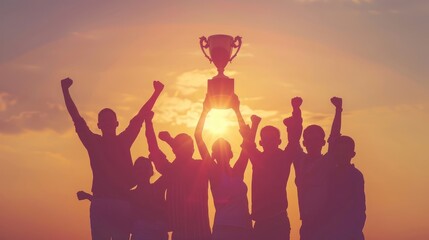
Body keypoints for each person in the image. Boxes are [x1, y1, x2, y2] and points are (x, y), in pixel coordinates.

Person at [61, 77, 164, 240]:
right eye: (105, 120)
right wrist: (156, 92)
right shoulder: (108, 141)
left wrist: (156, 93)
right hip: (110, 203)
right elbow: (140, 116)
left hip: (113, 203)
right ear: (100, 125)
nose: (108, 123)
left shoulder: (104, 141)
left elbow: (141, 116)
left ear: (116, 124)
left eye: (109, 120)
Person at [194, 95, 261, 240]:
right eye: (218, 150)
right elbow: (198, 135)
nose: (222, 152)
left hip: (244, 230)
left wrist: (237, 110)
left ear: (230, 153)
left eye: (225, 149)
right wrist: (205, 110)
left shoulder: (238, 170)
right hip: (223, 230)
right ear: (214, 155)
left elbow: (248, 142)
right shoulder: (213, 171)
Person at [145, 110, 211, 240]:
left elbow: (181, 157)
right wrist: (148, 123)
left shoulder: (200, 167)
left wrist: (170, 141)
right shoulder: (173, 171)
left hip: (200, 232)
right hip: (183, 232)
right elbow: (153, 148)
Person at [243, 97, 303, 240]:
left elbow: (295, 139)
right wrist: (255, 125)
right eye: (266, 138)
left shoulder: (284, 157)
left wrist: (296, 110)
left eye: (273, 138)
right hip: (260, 222)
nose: (269, 141)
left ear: (279, 141)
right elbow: (248, 144)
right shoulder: (257, 158)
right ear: (261, 142)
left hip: (278, 220)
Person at [291, 97, 348, 240]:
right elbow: (294, 137)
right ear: (305, 142)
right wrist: (296, 110)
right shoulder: (300, 161)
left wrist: (338, 110)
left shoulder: (327, 162)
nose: (312, 143)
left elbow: (334, 137)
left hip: (325, 225)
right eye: (309, 140)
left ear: (322, 142)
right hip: (307, 225)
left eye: (316, 139)